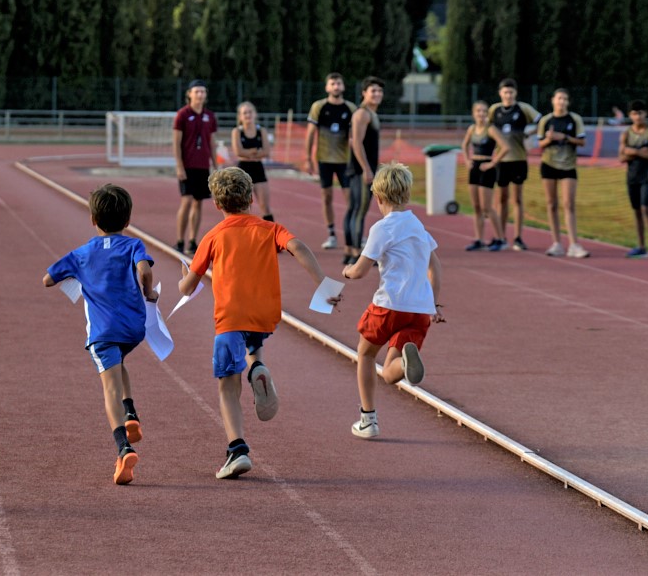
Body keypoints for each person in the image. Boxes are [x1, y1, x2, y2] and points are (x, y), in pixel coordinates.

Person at [179, 167, 340, 478]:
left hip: (230, 316)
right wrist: (323, 283)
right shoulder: (270, 228)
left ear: (216, 204)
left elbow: (188, 286)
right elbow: (299, 247)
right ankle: (256, 368)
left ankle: (237, 449)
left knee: (227, 386)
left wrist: (183, 279)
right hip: (264, 315)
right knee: (252, 346)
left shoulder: (213, 236)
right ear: (251, 198)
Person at [43, 184, 158, 484]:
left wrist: (73, 272)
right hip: (134, 328)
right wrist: (149, 293)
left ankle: (123, 448)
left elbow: (46, 279)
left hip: (103, 332)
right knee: (119, 365)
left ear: (92, 219)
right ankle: (131, 413)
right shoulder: (134, 246)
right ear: (128, 220)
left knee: (109, 387)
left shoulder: (81, 253)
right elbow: (145, 271)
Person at [342, 163, 444, 438]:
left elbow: (361, 270)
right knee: (389, 372)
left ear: (378, 197)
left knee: (364, 354)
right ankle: (406, 366)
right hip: (420, 310)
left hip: (389, 305)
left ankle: (368, 420)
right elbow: (435, 267)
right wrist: (434, 304)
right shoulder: (417, 225)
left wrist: (347, 271)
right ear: (407, 194)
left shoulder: (382, 228)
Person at [304, 72, 357, 255]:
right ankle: (332, 234)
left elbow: (356, 136)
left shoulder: (351, 108)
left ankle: (354, 233)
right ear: (327, 87)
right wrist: (308, 158)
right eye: (332, 83)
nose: (336, 86)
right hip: (324, 159)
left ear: (343, 86)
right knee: (326, 197)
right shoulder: (319, 107)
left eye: (339, 83)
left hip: (345, 161)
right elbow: (310, 133)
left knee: (352, 199)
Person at [488, 79, 541, 251]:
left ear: (515, 93)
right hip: (501, 161)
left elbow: (542, 121)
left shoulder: (523, 109)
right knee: (501, 199)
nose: (508, 95)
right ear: (500, 93)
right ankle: (500, 236)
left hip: (518, 159)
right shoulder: (494, 110)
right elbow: (487, 128)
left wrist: (530, 134)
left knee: (517, 199)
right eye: (505, 92)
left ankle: (518, 237)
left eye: (511, 92)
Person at [537, 89, 589, 258]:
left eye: (565, 99)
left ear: (568, 102)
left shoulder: (574, 119)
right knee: (551, 203)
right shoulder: (545, 120)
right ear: (553, 100)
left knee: (568, 204)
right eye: (559, 98)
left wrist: (564, 137)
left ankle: (574, 244)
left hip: (568, 165)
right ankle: (556, 243)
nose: (562, 102)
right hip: (549, 164)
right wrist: (549, 139)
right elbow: (540, 144)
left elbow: (582, 141)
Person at [173, 79, 219, 256]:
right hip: (187, 165)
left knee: (199, 202)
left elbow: (212, 143)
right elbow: (176, 143)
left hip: (203, 166)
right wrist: (179, 166)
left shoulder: (209, 116)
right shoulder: (183, 115)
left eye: (203, 91)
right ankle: (179, 240)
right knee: (186, 201)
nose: (200, 95)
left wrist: (216, 166)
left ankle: (192, 240)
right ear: (189, 94)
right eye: (197, 91)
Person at [461, 100, 510, 252]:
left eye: (484, 111)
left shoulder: (491, 129)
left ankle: (501, 239)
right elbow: (464, 145)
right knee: (476, 207)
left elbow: (506, 147)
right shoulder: (472, 128)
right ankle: (479, 239)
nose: (481, 114)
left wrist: (492, 163)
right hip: (474, 167)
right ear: (473, 114)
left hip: (487, 168)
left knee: (487, 207)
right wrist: (467, 160)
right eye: (478, 111)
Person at [619, 100, 648, 259]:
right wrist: (641, 151)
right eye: (635, 113)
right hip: (632, 177)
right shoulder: (626, 133)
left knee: (646, 208)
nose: (638, 116)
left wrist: (632, 151)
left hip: (647, 177)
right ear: (630, 115)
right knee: (637, 211)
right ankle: (641, 246)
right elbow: (621, 156)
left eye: (641, 113)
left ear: (646, 113)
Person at [347, 76, 384, 265]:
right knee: (359, 211)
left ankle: (353, 252)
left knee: (356, 210)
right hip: (361, 171)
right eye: (373, 91)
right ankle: (355, 253)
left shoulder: (371, 113)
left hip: (364, 169)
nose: (377, 94)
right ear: (364, 93)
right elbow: (356, 143)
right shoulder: (362, 114)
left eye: (379, 91)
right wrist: (366, 169)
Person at [231, 101, 273, 220]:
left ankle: (271, 235)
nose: (248, 115)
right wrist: (255, 152)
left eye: (250, 112)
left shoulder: (262, 131)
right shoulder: (237, 132)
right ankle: (244, 235)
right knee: (243, 207)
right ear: (240, 116)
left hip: (258, 168)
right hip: (243, 170)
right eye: (245, 113)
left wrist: (247, 153)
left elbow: (266, 151)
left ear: (255, 114)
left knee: (265, 206)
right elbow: (238, 152)